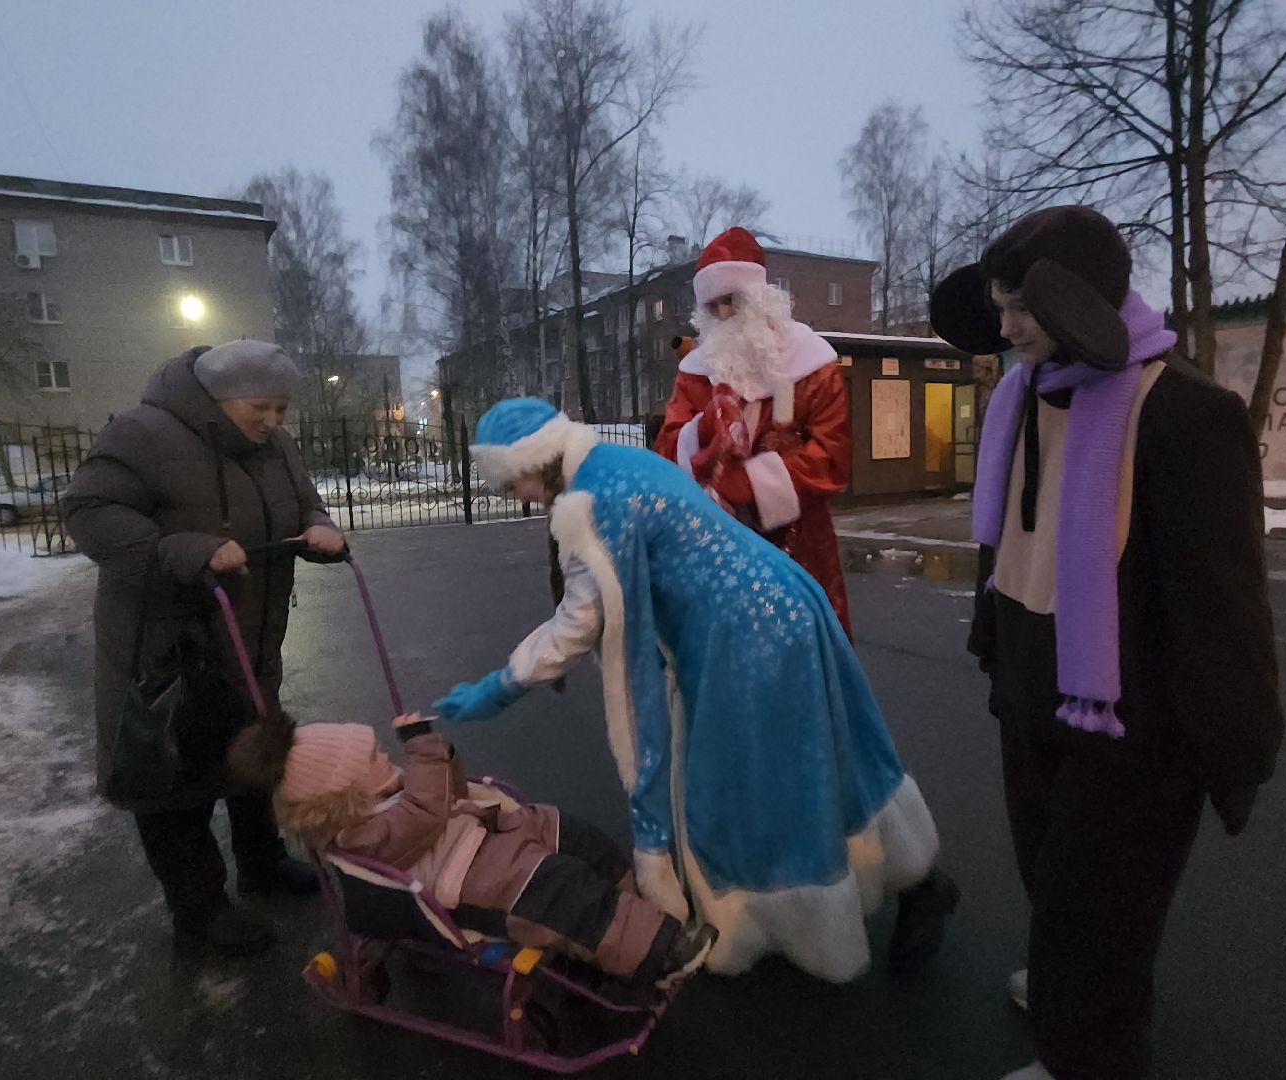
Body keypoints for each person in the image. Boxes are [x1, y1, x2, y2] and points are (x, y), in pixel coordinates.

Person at [929, 206, 1284, 1080]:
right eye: (998, 304)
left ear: (1078, 300)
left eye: (1022, 306)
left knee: (1107, 899)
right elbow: (1005, 549)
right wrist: (994, 656)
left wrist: (1235, 748)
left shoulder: (1184, 414)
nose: (1004, 327)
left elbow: (1222, 600)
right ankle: (1065, 989)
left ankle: (1091, 1054)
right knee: (1051, 869)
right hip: (1032, 678)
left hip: (1133, 714)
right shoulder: (1021, 397)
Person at [432, 397, 957, 984]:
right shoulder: (621, 461)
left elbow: (579, 623)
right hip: (785, 605)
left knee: (739, 787)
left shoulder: (590, 503)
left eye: (513, 484)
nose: (521, 498)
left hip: (741, 640)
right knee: (830, 749)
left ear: (535, 461)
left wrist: (499, 686)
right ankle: (914, 876)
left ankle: (772, 921)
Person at [60, 340, 348, 956]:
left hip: (248, 632)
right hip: (165, 646)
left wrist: (318, 523)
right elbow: (88, 510)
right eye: (263, 408)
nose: (275, 423)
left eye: (282, 409)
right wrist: (184, 549)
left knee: (252, 755)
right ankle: (199, 913)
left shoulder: (275, 445)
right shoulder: (143, 434)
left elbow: (302, 500)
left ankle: (263, 865)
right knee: (171, 779)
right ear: (220, 399)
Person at [272, 714, 717, 987]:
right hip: (475, 879)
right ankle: (660, 951)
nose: (386, 758)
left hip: (490, 831)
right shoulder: (361, 835)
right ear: (341, 800)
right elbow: (425, 814)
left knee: (577, 837)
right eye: (371, 759)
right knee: (564, 891)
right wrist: (425, 750)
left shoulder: (392, 793)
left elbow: (447, 790)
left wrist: (441, 755)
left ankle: (637, 906)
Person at [655, 227, 855, 633]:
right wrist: (707, 427)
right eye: (713, 306)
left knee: (801, 650)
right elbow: (668, 449)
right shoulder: (695, 373)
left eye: (733, 300)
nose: (725, 314)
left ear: (762, 298)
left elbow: (832, 458)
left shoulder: (812, 364)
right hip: (715, 547)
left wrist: (749, 482)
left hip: (800, 548)